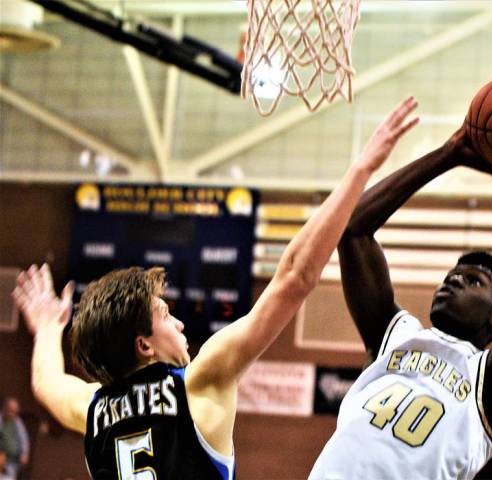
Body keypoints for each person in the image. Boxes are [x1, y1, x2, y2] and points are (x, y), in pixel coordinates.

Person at [11, 97, 420, 480]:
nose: (181, 324)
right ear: (144, 345)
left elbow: (45, 382)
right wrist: (361, 170)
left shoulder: (93, 408)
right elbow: (295, 278)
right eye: (166, 316)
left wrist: (47, 326)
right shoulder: (200, 382)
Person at [310, 110, 492, 480]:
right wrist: (448, 154)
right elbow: (353, 231)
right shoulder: (396, 335)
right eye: (452, 275)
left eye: (474, 281)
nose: (453, 282)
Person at [0, 397, 30, 480]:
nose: (12, 413)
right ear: (5, 408)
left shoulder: (18, 422)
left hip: (12, 463)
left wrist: (25, 452)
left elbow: (23, 438)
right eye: (10, 410)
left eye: (15, 411)